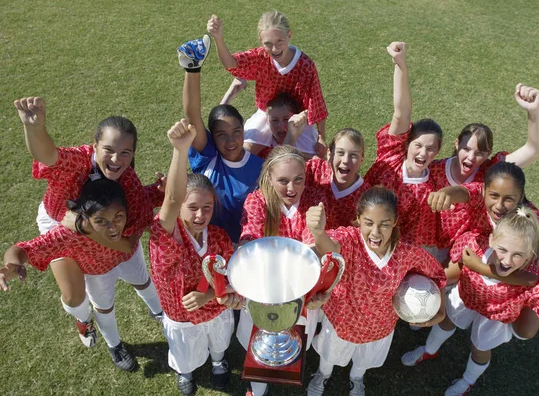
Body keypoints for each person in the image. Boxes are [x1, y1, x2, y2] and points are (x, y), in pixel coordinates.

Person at [13, 97, 163, 348]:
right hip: (61, 222)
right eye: (108, 150)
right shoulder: (78, 160)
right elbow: (49, 155)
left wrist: (85, 227)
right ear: (94, 146)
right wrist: (34, 127)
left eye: (125, 153)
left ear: (134, 153)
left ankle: (158, 311)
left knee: (135, 274)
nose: (116, 160)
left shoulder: (130, 185)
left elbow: (128, 244)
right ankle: (84, 320)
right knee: (74, 295)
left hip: (89, 225)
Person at [400, 207, 539, 396]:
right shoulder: (473, 246)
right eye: (503, 249)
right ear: (492, 239)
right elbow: (447, 271)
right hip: (466, 300)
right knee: (446, 320)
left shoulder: (534, 285)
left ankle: (468, 380)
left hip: (494, 319)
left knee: (480, 348)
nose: (507, 261)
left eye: (518, 255)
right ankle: (429, 350)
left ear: (531, 255)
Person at [1, 179, 159, 372]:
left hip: (129, 256)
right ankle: (115, 346)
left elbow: (164, 193)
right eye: (101, 221)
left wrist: (166, 186)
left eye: (118, 217)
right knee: (104, 308)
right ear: (84, 219)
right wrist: (13, 263)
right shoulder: (68, 234)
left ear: (127, 208)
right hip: (97, 272)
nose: (112, 228)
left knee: (143, 282)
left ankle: (158, 311)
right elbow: (23, 249)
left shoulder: (135, 206)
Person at [303, 187, 446, 396]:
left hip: (379, 327)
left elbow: (437, 274)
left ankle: (356, 379)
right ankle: (322, 375)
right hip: (343, 321)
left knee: (363, 361)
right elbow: (330, 248)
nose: (376, 232)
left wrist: (440, 311)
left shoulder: (406, 253)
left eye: (385, 224)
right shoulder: (350, 239)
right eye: (368, 223)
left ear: (395, 221)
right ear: (359, 218)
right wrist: (318, 232)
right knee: (329, 355)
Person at [148, 119, 242, 395]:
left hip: (215, 310)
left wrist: (212, 296)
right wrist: (180, 151)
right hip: (183, 317)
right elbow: (172, 200)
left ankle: (218, 362)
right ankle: (186, 371)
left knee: (219, 341)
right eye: (192, 208)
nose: (200, 215)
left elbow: (229, 276)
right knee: (185, 351)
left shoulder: (219, 237)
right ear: (179, 209)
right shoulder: (164, 237)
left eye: (207, 207)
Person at [238, 145, 327, 396]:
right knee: (258, 342)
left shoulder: (312, 200)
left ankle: (292, 355)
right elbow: (251, 244)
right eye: (283, 181)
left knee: (296, 336)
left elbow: (314, 248)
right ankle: (257, 385)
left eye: (299, 179)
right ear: (269, 177)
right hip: (264, 289)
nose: (292, 188)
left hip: (301, 288)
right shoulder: (256, 201)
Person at [428, 84, 539, 263]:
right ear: (457, 142)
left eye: (479, 153)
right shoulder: (434, 169)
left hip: (468, 251)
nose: (471, 157)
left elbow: (534, 148)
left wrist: (534, 111)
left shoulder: (492, 172)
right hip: (430, 244)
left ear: (488, 153)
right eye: (466, 149)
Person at [207, 10, 328, 157]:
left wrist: (321, 137)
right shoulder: (260, 57)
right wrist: (218, 38)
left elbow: (316, 101)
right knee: (242, 153)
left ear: (289, 35)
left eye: (279, 42)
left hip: (296, 118)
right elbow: (231, 63)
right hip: (266, 115)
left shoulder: (306, 65)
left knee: (310, 159)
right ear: (260, 40)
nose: (275, 49)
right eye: (268, 44)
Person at [178, 36, 263, 244]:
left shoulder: (260, 166)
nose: (231, 140)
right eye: (221, 135)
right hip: (207, 244)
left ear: (244, 129)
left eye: (236, 131)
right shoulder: (207, 158)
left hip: (246, 246)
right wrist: (192, 69)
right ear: (212, 138)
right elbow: (192, 115)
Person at [363, 41, 441, 248]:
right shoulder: (390, 156)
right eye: (418, 145)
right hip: (363, 235)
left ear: (437, 152)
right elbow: (401, 112)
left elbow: (417, 239)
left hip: (396, 251)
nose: (423, 152)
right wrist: (400, 64)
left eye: (430, 148)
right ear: (406, 143)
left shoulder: (432, 185)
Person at [304, 127, 371, 230]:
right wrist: (292, 136)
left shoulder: (366, 196)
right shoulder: (316, 170)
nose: (345, 160)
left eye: (353, 155)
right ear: (329, 154)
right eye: (340, 153)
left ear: (361, 160)